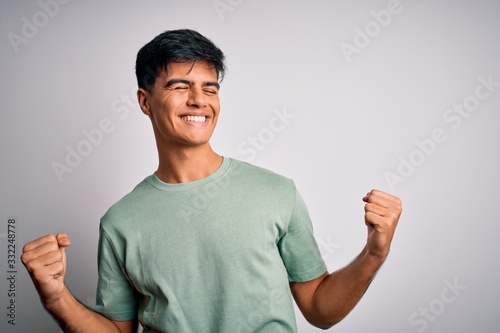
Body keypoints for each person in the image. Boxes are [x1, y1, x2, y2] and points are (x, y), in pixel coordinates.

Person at [21, 29, 402, 333]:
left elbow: (319, 309)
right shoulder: (120, 222)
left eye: (210, 87)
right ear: (145, 100)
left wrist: (374, 253)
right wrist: (56, 298)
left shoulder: (276, 192)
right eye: (179, 86)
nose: (199, 99)